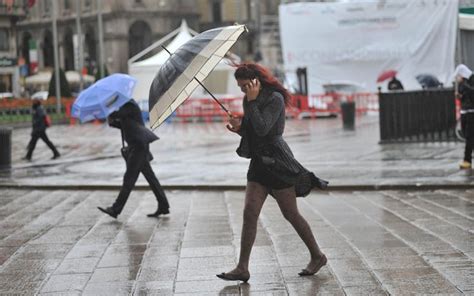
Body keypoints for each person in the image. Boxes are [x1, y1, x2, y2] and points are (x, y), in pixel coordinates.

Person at [217, 63, 329, 283]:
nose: (242, 91)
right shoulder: (248, 98)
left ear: (255, 81)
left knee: (290, 214)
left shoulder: (275, 98)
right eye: (240, 88)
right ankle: (242, 267)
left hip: (278, 164)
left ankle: (317, 255)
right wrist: (240, 128)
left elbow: (264, 128)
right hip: (259, 164)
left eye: (244, 86)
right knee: (250, 212)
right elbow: (252, 131)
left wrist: (251, 102)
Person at [97, 99, 170, 218]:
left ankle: (115, 209)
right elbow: (127, 124)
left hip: (138, 147)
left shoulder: (128, 104)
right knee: (150, 177)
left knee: (129, 179)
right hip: (137, 145)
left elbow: (119, 115)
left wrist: (108, 112)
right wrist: (112, 123)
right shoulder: (124, 106)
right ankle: (163, 205)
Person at [454, 64, 474, 169]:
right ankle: (467, 158)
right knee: (468, 136)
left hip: (471, 112)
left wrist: (465, 86)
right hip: (464, 111)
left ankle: (467, 160)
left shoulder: (470, 81)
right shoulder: (461, 84)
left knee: (469, 137)